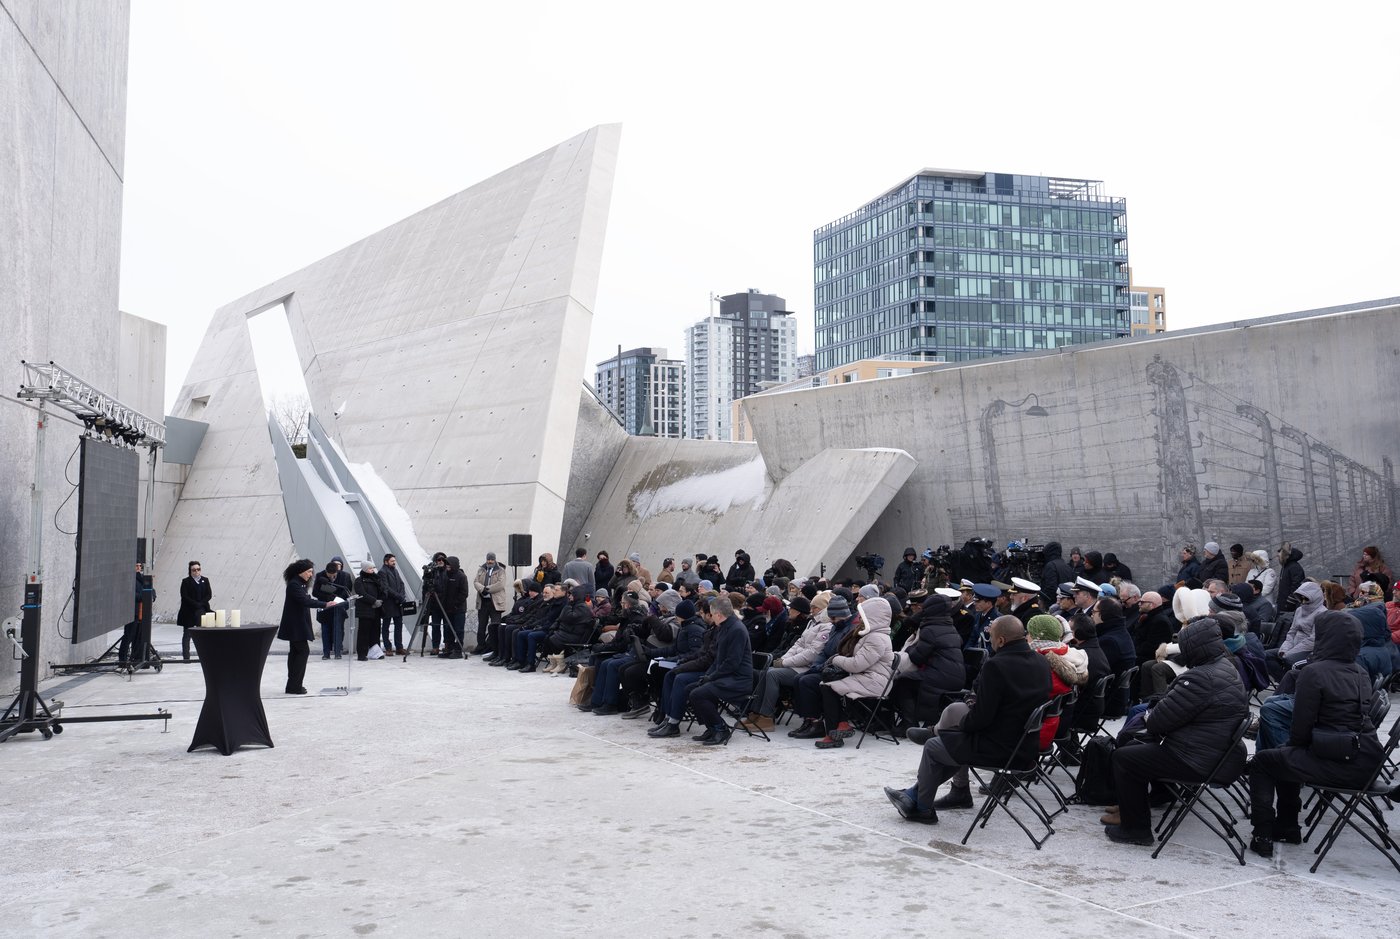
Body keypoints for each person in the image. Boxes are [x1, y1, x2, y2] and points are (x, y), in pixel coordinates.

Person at [883, 616, 1051, 822]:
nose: (990, 640)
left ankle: (922, 809)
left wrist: (959, 727)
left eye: (991, 636)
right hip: (1026, 746)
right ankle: (918, 794)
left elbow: (981, 718)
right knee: (953, 742)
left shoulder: (997, 665)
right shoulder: (1041, 661)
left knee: (935, 746)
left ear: (1001, 641)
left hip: (1002, 748)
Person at [1103, 616, 1249, 845]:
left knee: (1124, 757)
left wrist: (1151, 713)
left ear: (1194, 647)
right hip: (1212, 752)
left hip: (1196, 759)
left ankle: (1136, 829)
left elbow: (1157, 722)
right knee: (1137, 746)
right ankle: (1147, 800)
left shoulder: (1200, 677)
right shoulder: (1225, 667)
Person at [1248, 610, 1382, 857]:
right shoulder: (1359, 671)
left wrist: (1289, 747)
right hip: (1365, 760)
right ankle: (1287, 827)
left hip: (1338, 762)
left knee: (1264, 761)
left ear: (1326, 638)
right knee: (1285, 756)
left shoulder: (1314, 671)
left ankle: (1263, 833)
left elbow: (1300, 730)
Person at [813, 597, 896, 748]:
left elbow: (857, 665)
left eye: (863, 616)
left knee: (828, 687)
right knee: (827, 685)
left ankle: (833, 733)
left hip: (875, 682)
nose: (859, 619)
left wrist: (836, 659)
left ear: (872, 617)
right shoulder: (872, 635)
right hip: (867, 677)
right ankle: (841, 724)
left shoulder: (876, 638)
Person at [686, 595, 754, 746]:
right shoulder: (724, 627)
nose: (710, 617)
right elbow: (718, 659)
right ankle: (711, 727)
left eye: (711, 614)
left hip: (738, 680)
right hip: (726, 676)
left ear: (718, 614)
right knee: (692, 689)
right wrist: (707, 676)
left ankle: (720, 728)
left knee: (698, 694)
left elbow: (732, 663)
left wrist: (711, 677)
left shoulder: (736, 629)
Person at [892, 592, 965, 731]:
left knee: (903, 681)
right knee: (909, 679)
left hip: (940, 676)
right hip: (956, 677)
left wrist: (910, 648)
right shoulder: (950, 626)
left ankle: (909, 724)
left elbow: (917, 657)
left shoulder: (930, 629)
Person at [278, 558, 340, 694]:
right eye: (309, 571)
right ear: (300, 572)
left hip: (298, 624)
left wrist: (325, 602)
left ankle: (292, 685)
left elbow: (307, 599)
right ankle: (294, 686)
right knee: (302, 652)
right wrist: (325, 604)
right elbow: (305, 601)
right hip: (295, 625)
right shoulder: (294, 585)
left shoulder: (300, 584)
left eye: (311, 571)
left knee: (295, 653)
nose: (311, 574)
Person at [314, 557, 352, 659]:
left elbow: (347, 591)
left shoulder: (345, 576)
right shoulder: (320, 576)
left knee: (338, 630)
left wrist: (336, 599)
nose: (331, 576)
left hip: (338, 608)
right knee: (325, 631)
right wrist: (327, 598)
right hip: (325, 608)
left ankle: (338, 652)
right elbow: (315, 592)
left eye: (334, 575)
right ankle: (326, 653)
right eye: (329, 575)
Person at [475, 552, 509, 657]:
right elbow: (476, 582)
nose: (490, 561)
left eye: (492, 559)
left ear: (495, 560)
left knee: (495, 626)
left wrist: (487, 589)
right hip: (483, 602)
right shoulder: (481, 569)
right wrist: (482, 589)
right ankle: (480, 646)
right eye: (488, 559)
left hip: (495, 603)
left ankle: (494, 648)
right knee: (481, 626)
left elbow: (500, 584)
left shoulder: (501, 570)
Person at [177, 560, 212, 662]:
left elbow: (209, 595)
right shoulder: (186, 582)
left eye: (198, 569)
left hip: (201, 610)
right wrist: (195, 604)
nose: (196, 571)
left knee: (203, 635)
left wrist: (201, 603)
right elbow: (184, 596)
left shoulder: (205, 580)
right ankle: (186, 657)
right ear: (190, 571)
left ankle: (204, 656)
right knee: (187, 635)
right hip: (189, 611)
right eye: (194, 570)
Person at [353, 560, 383, 660]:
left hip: (376, 610)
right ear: (365, 569)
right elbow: (362, 594)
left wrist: (380, 600)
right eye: (370, 568)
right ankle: (362, 654)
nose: (372, 570)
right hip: (365, 610)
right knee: (363, 633)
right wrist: (373, 601)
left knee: (376, 632)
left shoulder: (376, 579)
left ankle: (376, 653)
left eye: (373, 568)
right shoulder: (359, 580)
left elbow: (382, 590)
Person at [379, 554, 408, 655]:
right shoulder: (382, 572)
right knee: (386, 626)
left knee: (399, 625)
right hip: (388, 603)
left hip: (397, 603)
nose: (394, 562)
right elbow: (386, 588)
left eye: (394, 561)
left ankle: (399, 647)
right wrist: (399, 596)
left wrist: (402, 595)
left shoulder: (395, 570)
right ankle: (388, 648)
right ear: (386, 562)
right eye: (392, 561)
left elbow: (401, 584)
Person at [1276, 543, 1306, 608]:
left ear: (1285, 554)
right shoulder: (1286, 567)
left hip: (1290, 606)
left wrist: (1289, 602)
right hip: (1283, 604)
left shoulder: (1294, 567)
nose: (1278, 555)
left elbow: (1297, 586)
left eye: (1280, 552)